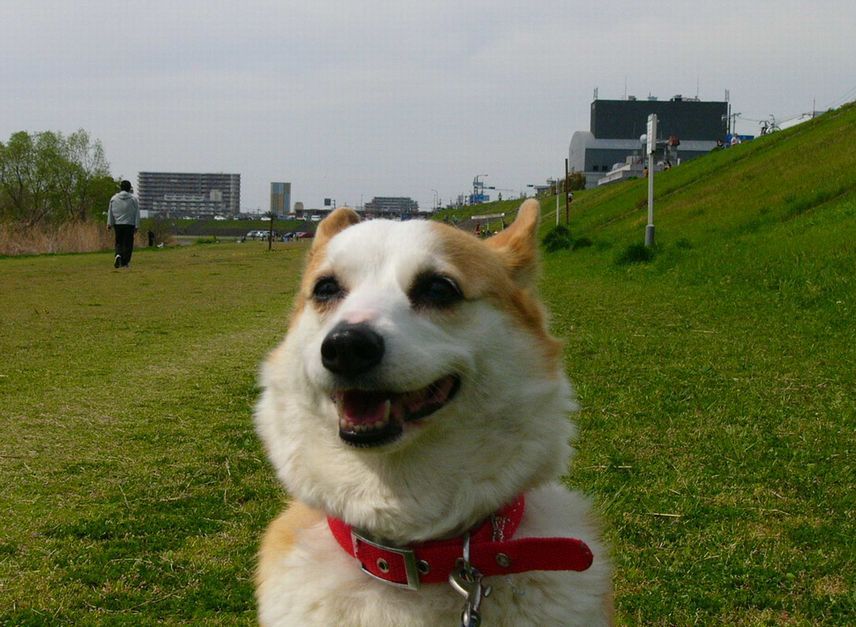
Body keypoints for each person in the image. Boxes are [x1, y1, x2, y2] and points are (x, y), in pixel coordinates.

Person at [107, 180, 140, 268]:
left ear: (120, 188)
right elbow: (137, 213)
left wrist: (109, 223)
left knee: (119, 242)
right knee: (128, 244)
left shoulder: (114, 198)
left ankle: (118, 254)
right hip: (129, 224)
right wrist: (137, 225)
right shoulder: (133, 199)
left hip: (118, 224)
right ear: (129, 188)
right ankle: (125, 262)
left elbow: (110, 212)